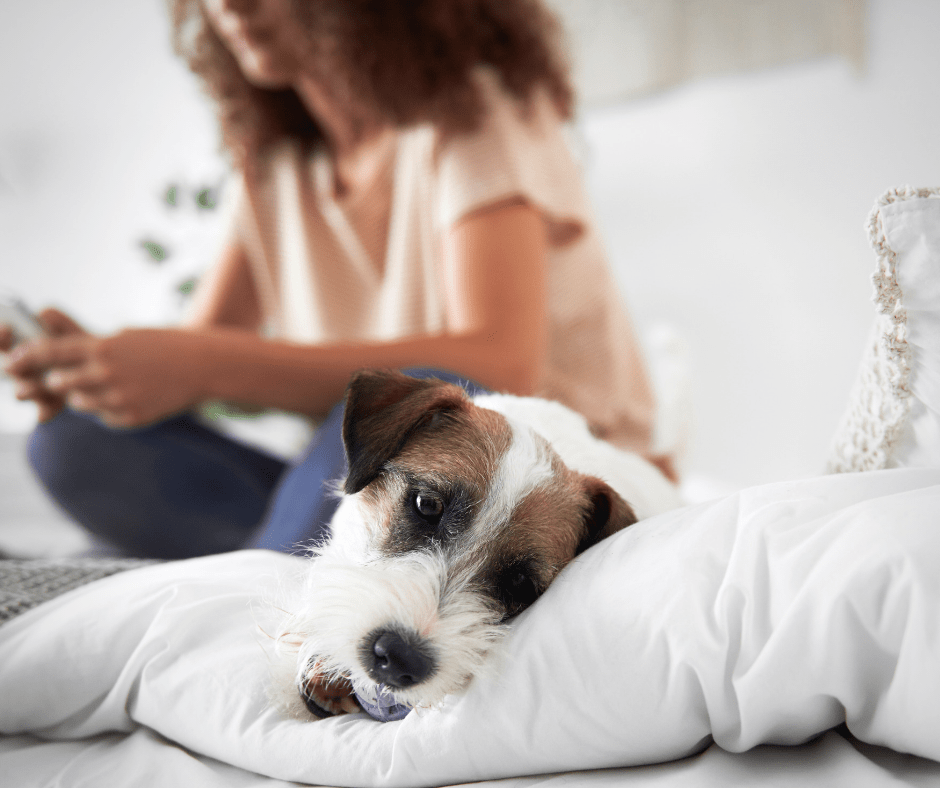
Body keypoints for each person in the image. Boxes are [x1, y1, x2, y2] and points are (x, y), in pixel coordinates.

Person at [1, 0, 664, 559]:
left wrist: (204, 364)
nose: (230, 5)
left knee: (411, 406)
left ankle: (264, 587)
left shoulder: (471, 114)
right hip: (370, 482)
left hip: (518, 484)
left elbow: (499, 364)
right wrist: (102, 368)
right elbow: (198, 356)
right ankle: (284, 560)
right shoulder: (274, 165)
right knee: (73, 442)